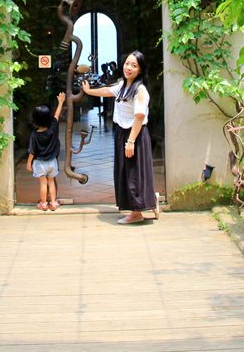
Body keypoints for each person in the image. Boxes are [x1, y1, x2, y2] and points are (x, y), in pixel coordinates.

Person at [82, 51, 158, 224]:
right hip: (123, 133)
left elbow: (139, 117)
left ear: (140, 70)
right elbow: (108, 91)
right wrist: (88, 91)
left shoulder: (140, 90)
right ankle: (150, 201)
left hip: (135, 134)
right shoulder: (123, 86)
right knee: (127, 171)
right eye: (127, 64)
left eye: (134, 65)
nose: (128, 67)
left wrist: (131, 141)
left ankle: (137, 213)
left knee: (133, 173)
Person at [27, 92, 66, 211]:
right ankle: (53, 203)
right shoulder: (53, 127)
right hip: (52, 162)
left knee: (43, 183)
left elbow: (32, 151)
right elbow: (57, 115)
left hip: (40, 163)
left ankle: (43, 203)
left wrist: (29, 163)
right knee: (51, 182)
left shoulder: (34, 135)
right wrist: (60, 102)